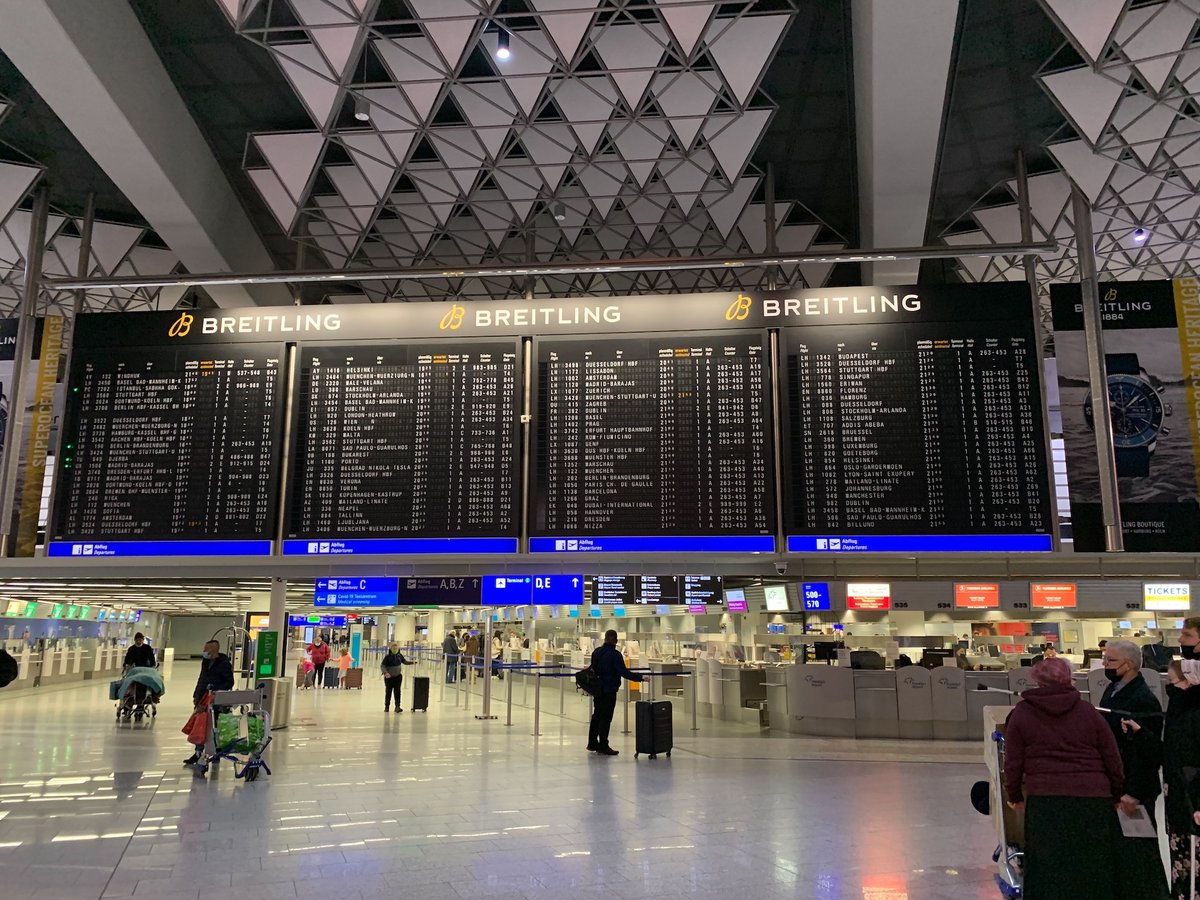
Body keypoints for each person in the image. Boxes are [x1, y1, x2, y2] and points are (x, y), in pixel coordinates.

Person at [1003, 657, 1124, 898]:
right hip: (1092, 798)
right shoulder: (1088, 711)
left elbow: (1013, 762)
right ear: (1070, 679)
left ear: (1037, 681)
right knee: (1092, 865)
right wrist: (1117, 792)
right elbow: (1112, 756)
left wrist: (1015, 795)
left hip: (1046, 799)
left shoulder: (1022, 713)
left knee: (1047, 867)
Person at [1099, 639, 1169, 898]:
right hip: (1117, 783)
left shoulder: (1142, 699)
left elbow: (1146, 753)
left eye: (1111, 660)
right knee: (1121, 850)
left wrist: (1134, 791)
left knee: (1140, 853)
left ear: (1128, 665)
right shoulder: (1113, 689)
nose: (1105, 665)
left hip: (1134, 788)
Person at [1163, 659, 1200, 898]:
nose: (1170, 688)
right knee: (1182, 858)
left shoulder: (1192, 715)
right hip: (1179, 797)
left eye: (1173, 682)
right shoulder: (1179, 713)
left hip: (1191, 798)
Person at [587, 630, 644, 757]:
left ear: (605, 638)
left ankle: (592, 743)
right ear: (615, 640)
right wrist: (640, 677)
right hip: (609, 690)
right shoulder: (615, 654)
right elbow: (623, 672)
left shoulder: (596, 652)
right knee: (606, 718)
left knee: (597, 715)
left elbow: (593, 669)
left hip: (597, 689)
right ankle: (603, 746)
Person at [184, 640, 234, 765]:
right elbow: (201, 678)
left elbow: (229, 682)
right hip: (202, 699)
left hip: (215, 700)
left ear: (214, 650)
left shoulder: (224, 663)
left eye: (206, 649)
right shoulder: (205, 662)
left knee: (213, 727)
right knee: (199, 726)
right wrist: (196, 695)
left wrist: (216, 691)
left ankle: (216, 751)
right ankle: (198, 753)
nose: (204, 651)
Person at [380, 643, 415, 712]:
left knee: (397, 692)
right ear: (391, 649)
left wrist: (412, 662)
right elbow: (382, 666)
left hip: (398, 677)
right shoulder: (387, 657)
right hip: (389, 678)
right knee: (388, 692)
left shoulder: (399, 656)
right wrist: (385, 673)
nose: (395, 650)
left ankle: (397, 706)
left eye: (396, 649)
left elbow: (404, 661)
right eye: (394, 649)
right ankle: (387, 707)